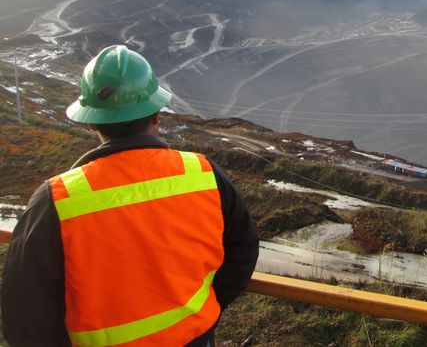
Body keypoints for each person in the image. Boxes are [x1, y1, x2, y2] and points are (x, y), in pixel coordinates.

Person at [1, 45, 259, 346]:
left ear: (90, 121)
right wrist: (205, 309)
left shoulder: (56, 201)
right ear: (157, 114)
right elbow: (243, 251)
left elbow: (25, 314)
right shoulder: (203, 174)